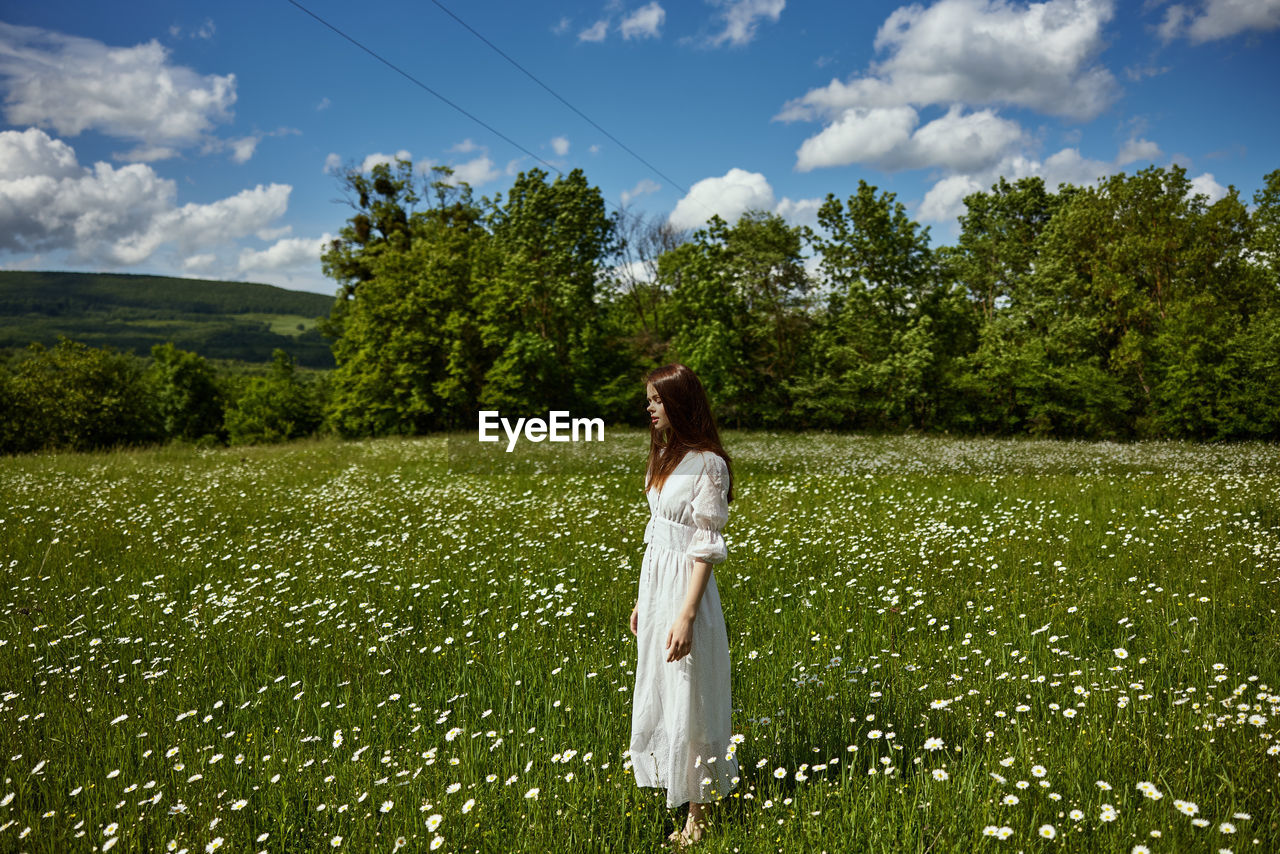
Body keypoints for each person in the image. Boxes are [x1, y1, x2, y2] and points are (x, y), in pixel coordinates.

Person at [628, 362, 740, 847]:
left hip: (686, 593)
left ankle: (700, 818)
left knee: (693, 696)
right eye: (650, 400)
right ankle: (676, 789)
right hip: (657, 589)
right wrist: (642, 602)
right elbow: (656, 536)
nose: (649, 408)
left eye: (657, 399)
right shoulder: (664, 457)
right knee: (664, 690)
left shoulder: (708, 463)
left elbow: (705, 545)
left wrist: (686, 614)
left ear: (679, 401)